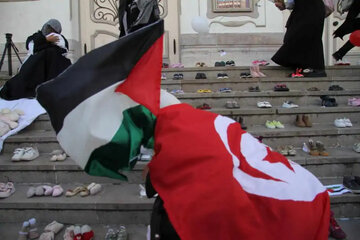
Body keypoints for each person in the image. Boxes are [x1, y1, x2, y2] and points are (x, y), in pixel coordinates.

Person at [0, 19, 71, 100]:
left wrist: (45, 45)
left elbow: (63, 48)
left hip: (51, 68)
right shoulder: (36, 36)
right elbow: (32, 47)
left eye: (52, 30)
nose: (49, 31)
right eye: (48, 28)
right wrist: (46, 40)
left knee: (52, 53)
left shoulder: (58, 38)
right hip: (35, 65)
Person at [271, 0, 327, 77]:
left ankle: (315, 68)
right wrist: (285, 4)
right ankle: (303, 67)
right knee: (299, 36)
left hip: (310, 10)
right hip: (304, 10)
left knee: (303, 36)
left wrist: (284, 3)